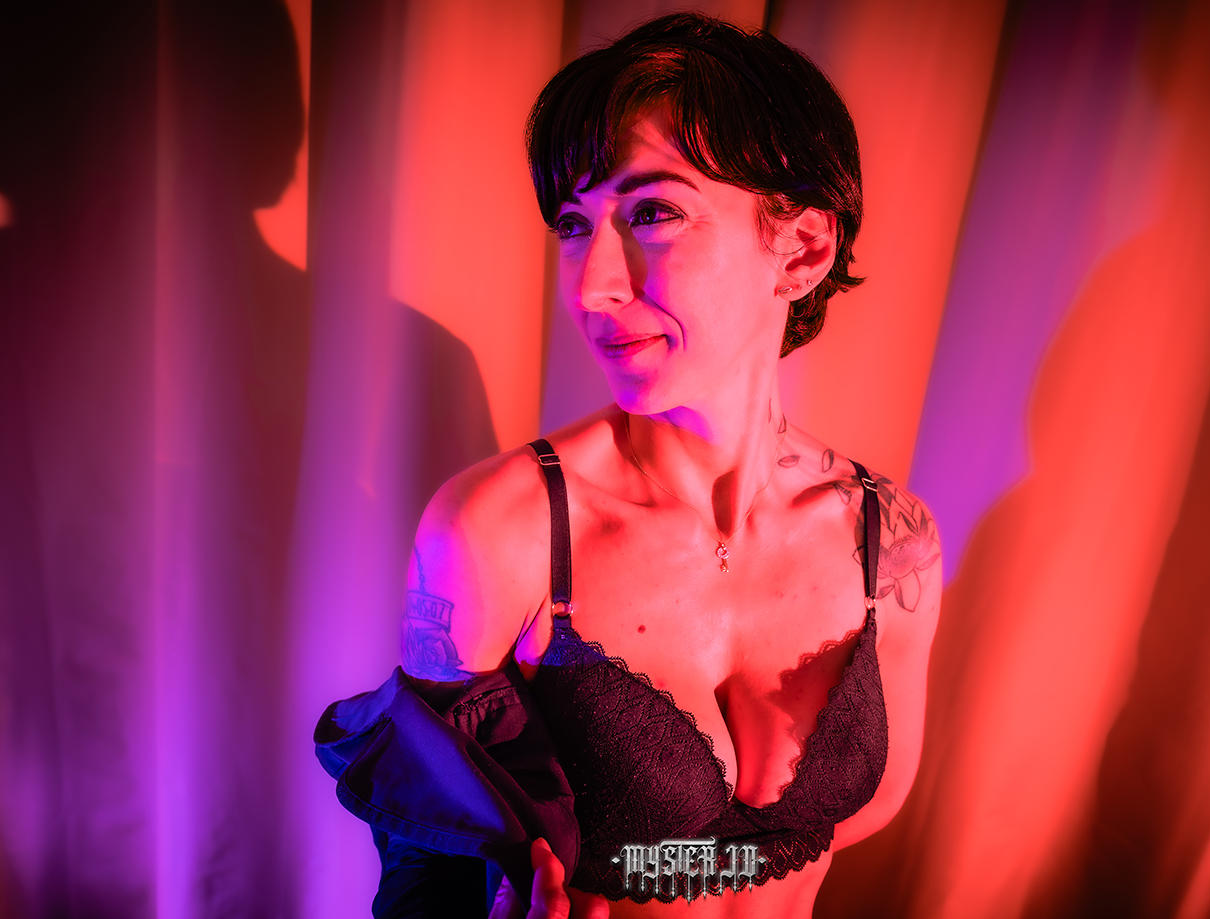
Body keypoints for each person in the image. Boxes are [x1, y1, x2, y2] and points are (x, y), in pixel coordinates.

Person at [317, 13, 940, 918]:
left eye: (652, 212)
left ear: (803, 248)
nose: (590, 285)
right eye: (574, 225)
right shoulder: (500, 530)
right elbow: (425, 865)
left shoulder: (892, 541)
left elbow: (853, 819)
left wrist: (652, 869)